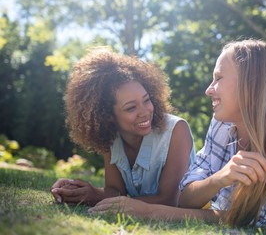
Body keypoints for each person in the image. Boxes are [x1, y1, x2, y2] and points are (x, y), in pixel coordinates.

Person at [88, 39, 266, 233]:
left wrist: (147, 211)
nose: (209, 89)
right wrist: (220, 178)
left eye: (218, 78)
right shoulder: (223, 121)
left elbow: (245, 222)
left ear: (250, 85)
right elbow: (185, 196)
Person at [51, 47, 195, 207]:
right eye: (131, 108)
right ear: (107, 116)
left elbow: (169, 200)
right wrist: (79, 190)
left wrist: (99, 199)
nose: (145, 112)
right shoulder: (111, 136)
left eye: (147, 100)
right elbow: (115, 191)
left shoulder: (177, 129)